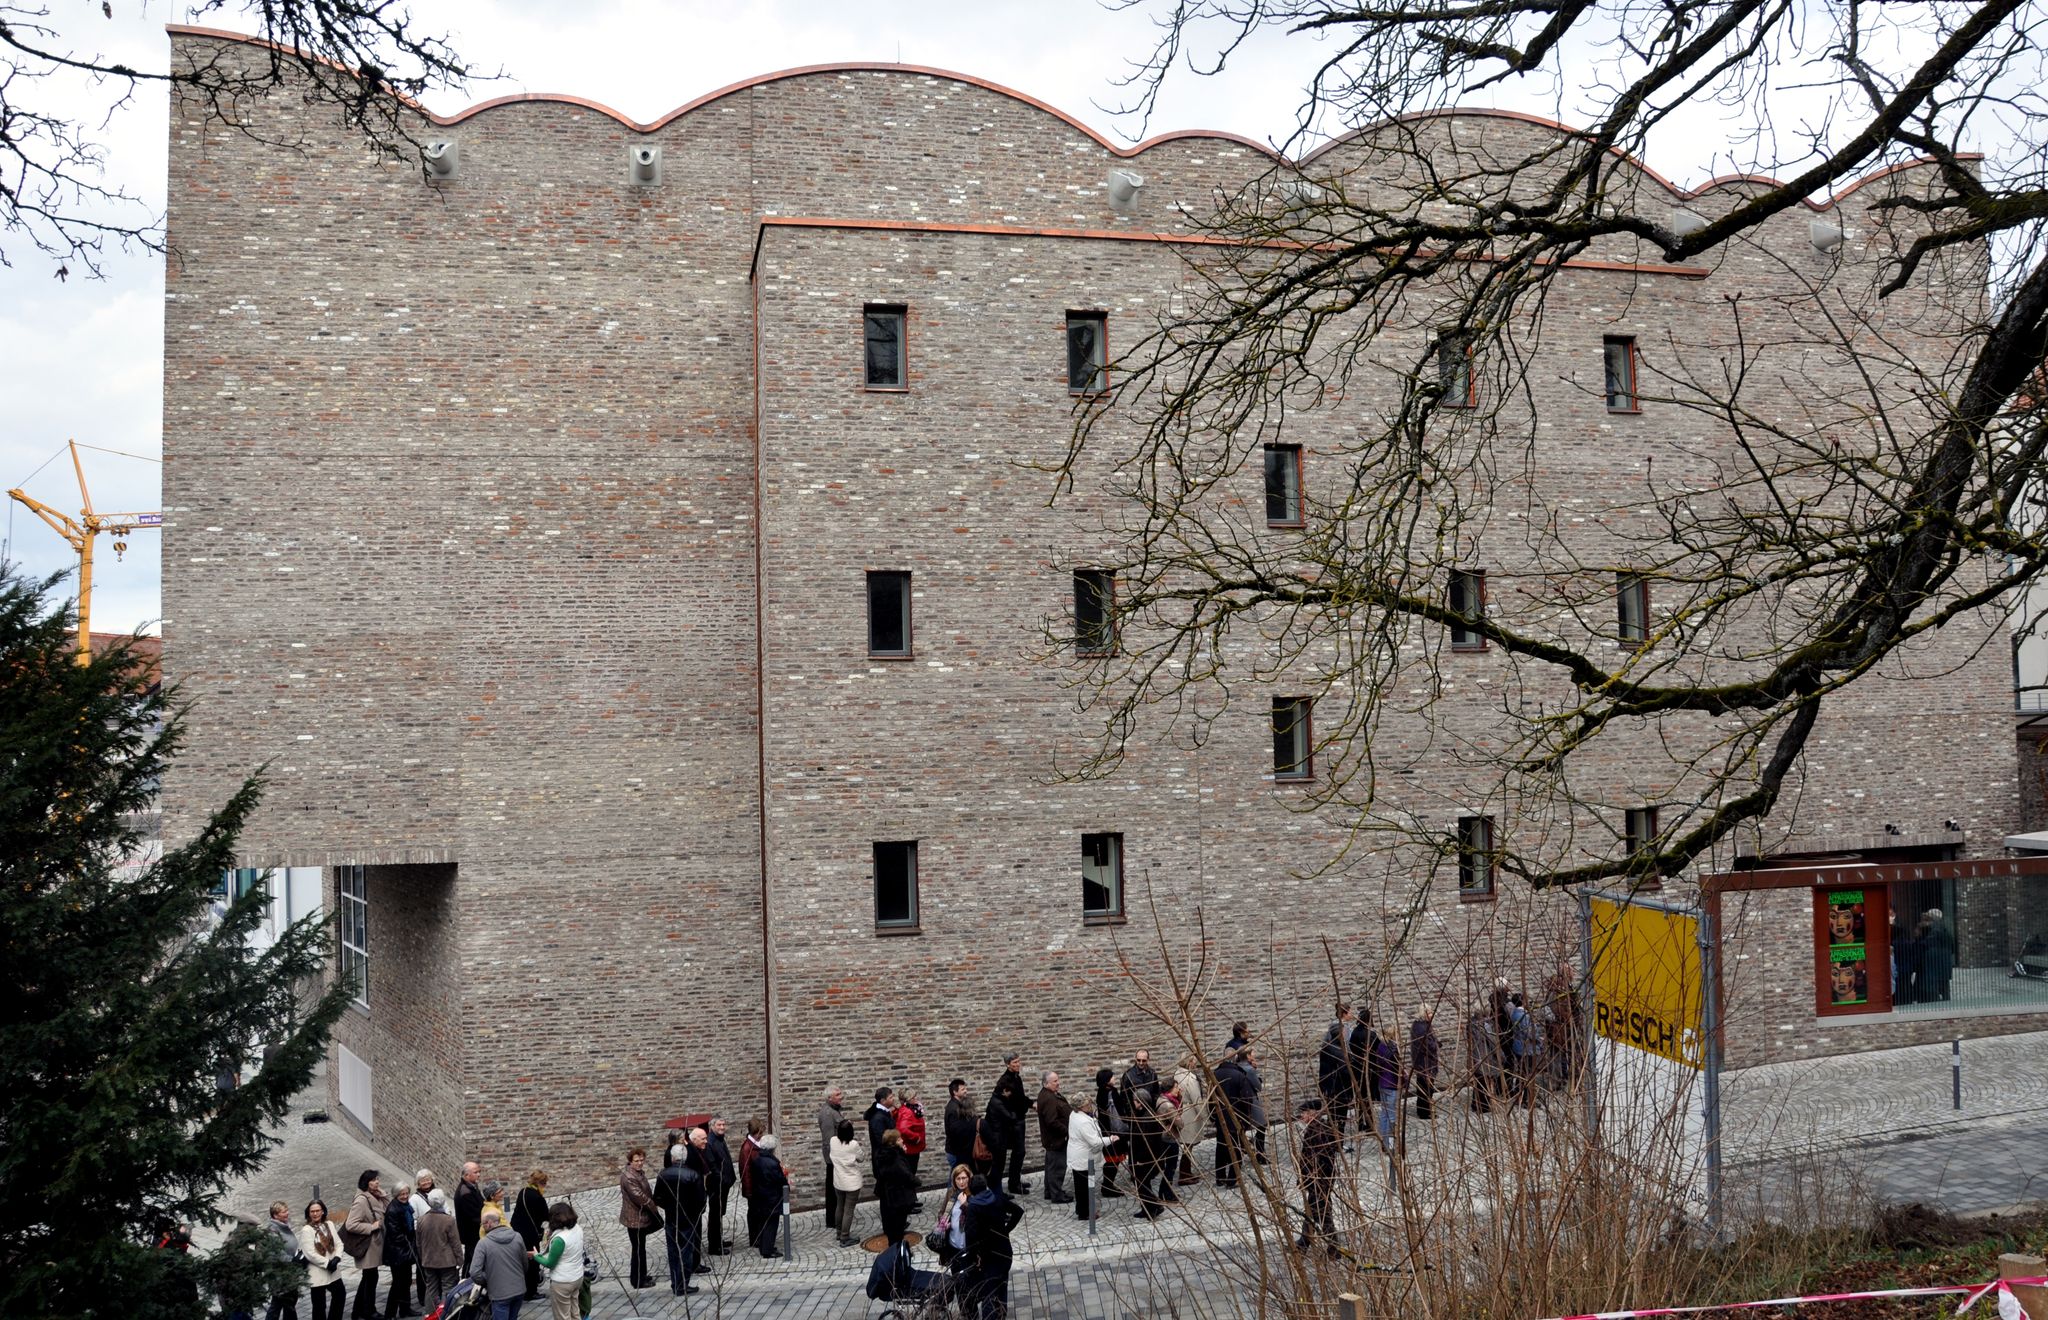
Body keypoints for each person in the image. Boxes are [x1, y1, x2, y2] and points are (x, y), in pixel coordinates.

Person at [961, 1175, 1024, 1320]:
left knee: (988, 1291)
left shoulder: (974, 1207)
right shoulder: (997, 1198)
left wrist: (972, 1257)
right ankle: (1001, 1315)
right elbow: (1018, 1211)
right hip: (1004, 1252)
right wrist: (1006, 1230)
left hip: (987, 1255)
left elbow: (971, 1236)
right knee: (1002, 1285)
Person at [652, 1139, 703, 1295]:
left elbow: (657, 1198)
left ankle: (676, 1283)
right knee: (686, 1252)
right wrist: (694, 1213)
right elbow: (701, 1199)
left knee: (673, 1253)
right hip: (688, 1219)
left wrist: (669, 1207)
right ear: (685, 1158)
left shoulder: (663, 1174)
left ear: (673, 1158)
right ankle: (682, 1284)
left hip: (671, 1219)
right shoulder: (693, 1175)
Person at [1295, 1098, 1340, 1252]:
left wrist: (1310, 1178)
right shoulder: (1316, 1128)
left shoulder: (1318, 1131)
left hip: (1319, 1180)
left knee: (1321, 1213)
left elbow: (1318, 1159)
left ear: (1313, 1113)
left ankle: (1334, 1248)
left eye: (1304, 1113)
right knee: (1313, 1211)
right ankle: (1303, 1243)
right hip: (1317, 1179)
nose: (1301, 1117)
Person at [468, 1208, 527, 1320]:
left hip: (500, 1294)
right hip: (519, 1289)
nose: (482, 1227)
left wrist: (488, 1280)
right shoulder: (517, 1236)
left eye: (483, 1224)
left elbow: (474, 1272)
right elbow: (524, 1263)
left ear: (489, 1223)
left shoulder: (483, 1243)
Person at [345, 1169, 388, 1320]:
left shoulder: (375, 1196)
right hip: (368, 1245)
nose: (377, 1182)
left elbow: (386, 1210)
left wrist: (382, 1194)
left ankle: (359, 1311)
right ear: (366, 1183)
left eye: (377, 1179)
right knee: (369, 1278)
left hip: (375, 1245)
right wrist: (371, 1227)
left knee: (369, 1278)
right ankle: (368, 1311)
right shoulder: (362, 1200)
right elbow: (351, 1224)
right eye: (373, 1180)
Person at [529, 1202, 584, 1320]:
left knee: (562, 1316)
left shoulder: (560, 1239)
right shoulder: (577, 1228)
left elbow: (550, 1263)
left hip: (563, 1282)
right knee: (575, 1313)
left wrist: (536, 1256)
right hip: (577, 1277)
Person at [990, 1053, 1033, 1194]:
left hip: (1018, 1119)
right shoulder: (1005, 1081)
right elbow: (1008, 1103)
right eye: (1014, 1062)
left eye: (1018, 1061)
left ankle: (1014, 1181)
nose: (1017, 1064)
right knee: (1018, 1151)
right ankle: (1013, 1185)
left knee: (1019, 1152)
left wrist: (1032, 1103)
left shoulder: (1016, 1077)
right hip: (1013, 1122)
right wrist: (1014, 1116)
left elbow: (1020, 1097)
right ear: (1007, 1064)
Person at [616, 1148, 659, 1290]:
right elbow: (640, 1197)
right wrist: (653, 1206)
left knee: (641, 1248)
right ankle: (638, 1280)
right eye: (636, 1161)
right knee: (638, 1250)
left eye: (641, 1160)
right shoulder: (629, 1177)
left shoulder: (638, 1173)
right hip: (635, 1219)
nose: (640, 1163)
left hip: (640, 1217)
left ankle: (642, 1275)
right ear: (630, 1161)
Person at [415, 1189, 462, 1318]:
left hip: (428, 1260)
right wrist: (460, 1260)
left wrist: (422, 1257)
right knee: (447, 1287)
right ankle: (446, 1314)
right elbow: (455, 1243)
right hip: (446, 1261)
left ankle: (429, 1315)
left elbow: (418, 1243)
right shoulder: (449, 1220)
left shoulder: (421, 1220)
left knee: (431, 1288)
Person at [297, 1200, 347, 1320]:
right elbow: (310, 1253)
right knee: (319, 1306)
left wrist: (336, 1258)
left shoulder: (329, 1224)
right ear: (308, 1213)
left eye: (317, 1211)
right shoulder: (306, 1230)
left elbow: (339, 1243)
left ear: (323, 1211)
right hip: (317, 1272)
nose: (315, 1214)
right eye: (312, 1211)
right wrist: (327, 1263)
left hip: (333, 1270)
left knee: (340, 1295)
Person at [1318, 1005, 1358, 1141]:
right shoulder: (1340, 1054)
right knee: (1339, 1115)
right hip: (1339, 1088)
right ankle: (1337, 1141)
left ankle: (1334, 1139)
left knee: (1333, 1114)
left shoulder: (1326, 1048)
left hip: (1331, 1087)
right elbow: (1345, 1072)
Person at [1065, 1096, 1108, 1220]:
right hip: (1083, 1157)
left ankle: (1083, 1210)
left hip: (1079, 1156)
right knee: (1084, 1186)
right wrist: (1110, 1139)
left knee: (1081, 1186)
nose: (1090, 1106)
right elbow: (1094, 1141)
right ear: (1080, 1107)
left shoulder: (1075, 1114)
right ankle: (1086, 1213)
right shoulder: (1082, 1121)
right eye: (1087, 1105)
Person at [746, 1133, 789, 1258]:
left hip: (760, 1195)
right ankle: (767, 1250)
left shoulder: (757, 1159)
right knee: (771, 1223)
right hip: (771, 1197)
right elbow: (779, 1179)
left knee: (763, 1222)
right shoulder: (772, 1163)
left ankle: (764, 1245)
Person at [381, 1180, 418, 1319]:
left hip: (405, 1251)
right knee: (397, 1284)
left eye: (406, 1193)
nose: (404, 1196)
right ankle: (389, 1314)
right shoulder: (393, 1210)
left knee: (407, 1280)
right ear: (396, 1195)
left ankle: (405, 1309)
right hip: (397, 1252)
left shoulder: (406, 1206)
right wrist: (410, 1240)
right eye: (401, 1194)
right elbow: (395, 1234)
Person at [876, 1128, 920, 1245]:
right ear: (893, 1142)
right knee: (897, 1230)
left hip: (890, 1196)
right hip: (898, 1197)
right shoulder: (895, 1158)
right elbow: (905, 1174)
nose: (902, 1141)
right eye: (899, 1139)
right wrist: (917, 1181)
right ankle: (897, 1253)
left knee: (893, 1230)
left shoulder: (884, 1154)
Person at [1035, 1070, 1073, 1204]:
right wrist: (1067, 1131)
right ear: (1046, 1083)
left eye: (1058, 1080)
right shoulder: (1049, 1098)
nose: (1058, 1083)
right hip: (1056, 1140)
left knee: (1051, 1166)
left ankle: (1050, 1192)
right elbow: (1051, 1121)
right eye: (1055, 1081)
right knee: (1057, 1166)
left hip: (1053, 1140)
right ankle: (1056, 1194)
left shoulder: (1048, 1094)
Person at [264, 1201, 304, 1320]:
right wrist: (293, 1260)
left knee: (287, 1304)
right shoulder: (272, 1230)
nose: (288, 1213)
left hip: (288, 1274)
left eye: (287, 1210)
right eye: (284, 1211)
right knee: (279, 1305)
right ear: (275, 1215)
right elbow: (275, 1252)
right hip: (280, 1276)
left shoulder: (282, 1226)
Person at [828, 1118, 865, 1246]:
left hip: (838, 1180)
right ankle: (845, 1236)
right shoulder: (853, 1144)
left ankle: (839, 1232)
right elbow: (861, 1158)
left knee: (840, 1206)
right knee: (848, 1210)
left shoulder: (833, 1141)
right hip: (852, 1182)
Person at [930, 1163, 974, 1268]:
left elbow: (976, 1215)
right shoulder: (951, 1193)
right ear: (954, 1180)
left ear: (969, 1178)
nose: (961, 1182)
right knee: (955, 1271)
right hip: (952, 1242)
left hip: (967, 1243)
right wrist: (943, 1221)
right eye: (958, 1179)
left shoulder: (973, 1194)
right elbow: (942, 1212)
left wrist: (965, 1204)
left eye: (964, 1178)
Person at [705, 1118, 738, 1254]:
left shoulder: (719, 1139)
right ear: (712, 1126)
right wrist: (723, 1179)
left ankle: (718, 1240)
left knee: (719, 1214)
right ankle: (714, 1246)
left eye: (724, 1124)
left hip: (723, 1184)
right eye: (719, 1125)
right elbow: (713, 1166)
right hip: (716, 1185)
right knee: (715, 1215)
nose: (722, 1127)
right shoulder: (711, 1142)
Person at [1171, 1056, 1206, 1186]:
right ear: (1189, 1062)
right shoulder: (1190, 1078)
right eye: (1194, 1062)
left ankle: (1186, 1173)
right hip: (1189, 1112)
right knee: (1188, 1146)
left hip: (1181, 1109)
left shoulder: (1177, 1074)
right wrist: (1204, 1115)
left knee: (1187, 1145)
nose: (1195, 1065)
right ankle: (1184, 1175)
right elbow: (1196, 1099)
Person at [816, 1087, 847, 1232]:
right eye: (837, 1095)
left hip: (835, 1157)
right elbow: (829, 1140)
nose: (841, 1096)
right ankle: (833, 1219)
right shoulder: (828, 1114)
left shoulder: (833, 1110)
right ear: (829, 1098)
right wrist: (835, 1158)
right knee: (833, 1189)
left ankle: (835, 1217)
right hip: (833, 1158)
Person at [1368, 1023, 1402, 1154]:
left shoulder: (1380, 1046)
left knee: (1384, 1114)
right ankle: (1390, 1146)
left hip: (1382, 1083)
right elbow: (1396, 1069)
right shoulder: (1392, 1049)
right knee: (1391, 1116)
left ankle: (1383, 1141)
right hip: (1392, 1084)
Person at [407, 1172, 436, 1313]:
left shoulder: (436, 1193)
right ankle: (422, 1295)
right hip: (423, 1238)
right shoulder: (415, 1199)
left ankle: (435, 1292)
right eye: (422, 1181)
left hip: (436, 1237)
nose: (426, 1182)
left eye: (428, 1179)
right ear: (418, 1183)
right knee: (423, 1268)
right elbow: (412, 1220)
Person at [1411, 1009, 1442, 1120]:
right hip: (1425, 1063)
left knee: (1424, 1087)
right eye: (1429, 1013)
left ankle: (1423, 1110)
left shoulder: (1421, 1025)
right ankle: (1425, 1112)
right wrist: (1436, 1045)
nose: (1431, 1014)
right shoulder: (1421, 1028)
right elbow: (1427, 1045)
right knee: (1426, 1088)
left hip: (1423, 1062)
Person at [454, 1164, 484, 1274]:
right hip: (471, 1234)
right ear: (466, 1175)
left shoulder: (471, 1187)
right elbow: (474, 1215)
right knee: (472, 1260)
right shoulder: (465, 1192)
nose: (479, 1175)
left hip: (474, 1233)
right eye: (476, 1172)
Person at [896, 1089, 929, 1182]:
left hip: (912, 1149)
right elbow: (902, 1129)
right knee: (910, 1174)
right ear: (907, 1100)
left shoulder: (911, 1108)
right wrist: (916, 1137)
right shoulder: (907, 1112)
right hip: (910, 1150)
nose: (916, 1098)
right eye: (913, 1097)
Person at [943, 1079, 977, 1171]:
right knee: (957, 1176)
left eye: (965, 1088)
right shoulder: (954, 1108)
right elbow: (955, 1132)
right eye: (962, 1089)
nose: (966, 1091)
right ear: (955, 1092)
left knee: (956, 1175)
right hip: (956, 1152)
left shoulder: (957, 1105)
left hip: (956, 1150)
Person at [867, 1086, 899, 1181]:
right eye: (890, 1097)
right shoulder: (878, 1118)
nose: (893, 1099)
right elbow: (881, 1140)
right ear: (883, 1101)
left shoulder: (885, 1113)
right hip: (884, 1159)